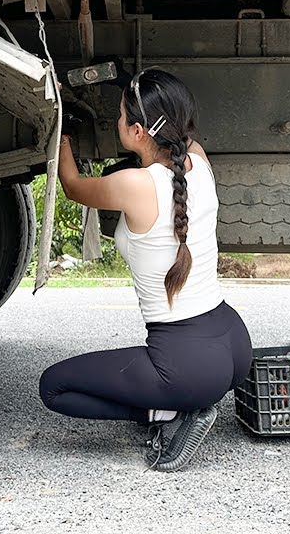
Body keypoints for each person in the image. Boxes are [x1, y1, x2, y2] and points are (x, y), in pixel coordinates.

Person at [39, 68, 253, 472]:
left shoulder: (133, 184)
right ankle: (181, 404)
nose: (117, 123)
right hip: (233, 343)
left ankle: (167, 413)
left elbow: (71, 185)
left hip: (187, 366)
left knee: (53, 387)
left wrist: (62, 132)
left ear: (138, 131)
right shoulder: (197, 159)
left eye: (120, 117)